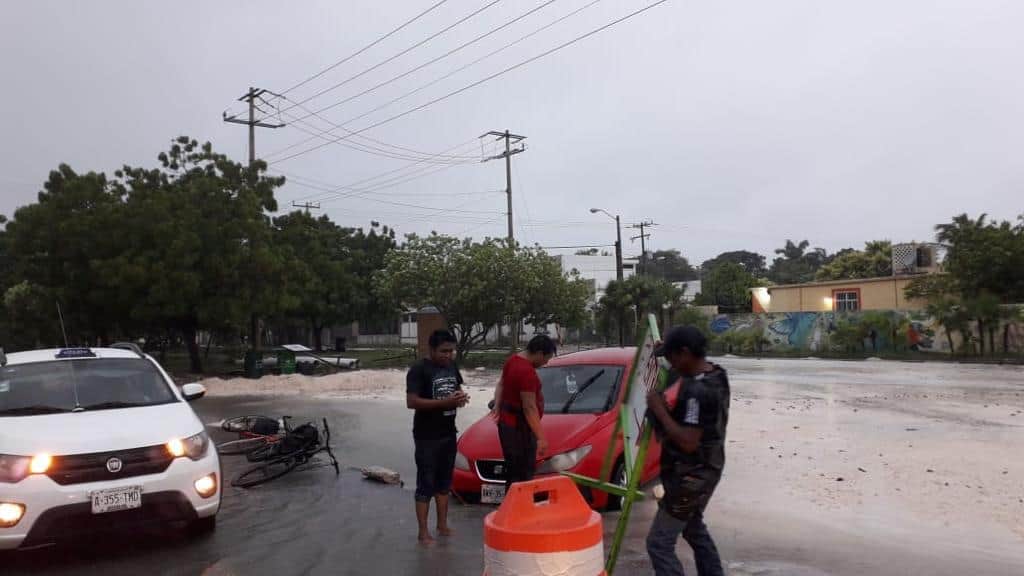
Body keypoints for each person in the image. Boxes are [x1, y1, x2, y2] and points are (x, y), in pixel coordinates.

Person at [644, 326, 730, 576]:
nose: (670, 364)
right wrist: (664, 351)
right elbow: (680, 371)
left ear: (684, 353)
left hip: (691, 477)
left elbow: (688, 441)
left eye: (671, 357)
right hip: (708, 467)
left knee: (659, 543)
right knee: (693, 528)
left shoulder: (697, 392)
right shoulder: (716, 374)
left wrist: (659, 410)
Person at [406, 329, 470, 545]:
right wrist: (445, 403)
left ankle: (442, 525)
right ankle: (423, 532)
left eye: (451, 351)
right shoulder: (418, 369)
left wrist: (460, 397)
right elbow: (412, 402)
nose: (448, 355)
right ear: (431, 349)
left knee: (444, 483)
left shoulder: (451, 366)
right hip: (426, 436)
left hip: (448, 433)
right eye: (444, 351)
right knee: (426, 483)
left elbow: (456, 388)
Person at [491, 334, 556, 487]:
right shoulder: (526, 372)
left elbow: (501, 384)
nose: (546, 363)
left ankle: (514, 499)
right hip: (518, 429)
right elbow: (529, 408)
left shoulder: (512, 360)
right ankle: (519, 501)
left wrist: (497, 406)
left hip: (508, 424)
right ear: (539, 353)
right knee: (522, 474)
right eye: (546, 358)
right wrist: (541, 438)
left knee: (514, 472)